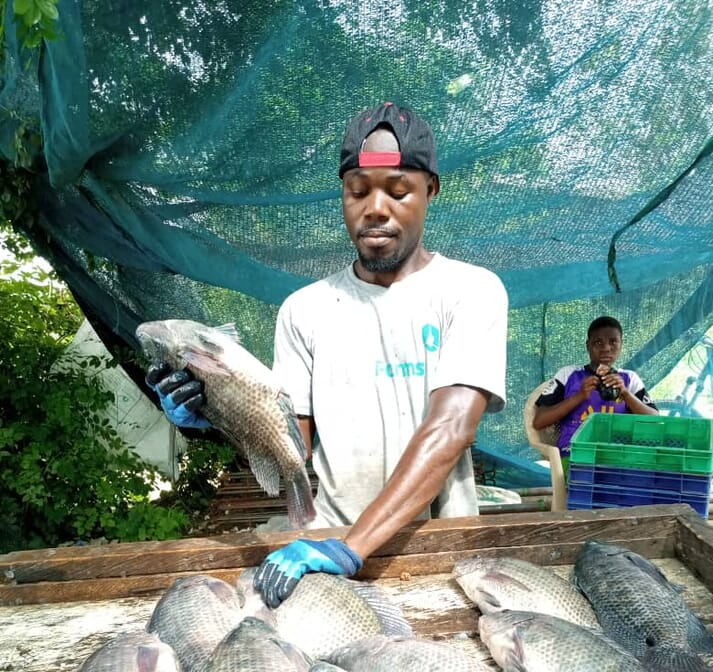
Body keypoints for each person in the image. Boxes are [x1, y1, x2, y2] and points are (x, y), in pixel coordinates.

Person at [148, 102, 509, 606]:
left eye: (398, 190)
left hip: (439, 555)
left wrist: (352, 547)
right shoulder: (305, 310)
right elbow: (288, 439)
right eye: (357, 191)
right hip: (325, 550)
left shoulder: (470, 291)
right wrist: (214, 410)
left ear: (431, 190)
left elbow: (451, 429)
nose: (376, 208)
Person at [533, 315, 658, 476]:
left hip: (619, 456)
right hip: (576, 454)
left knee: (644, 478)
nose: (606, 348)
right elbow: (539, 421)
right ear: (588, 346)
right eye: (598, 343)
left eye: (613, 342)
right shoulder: (569, 374)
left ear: (621, 345)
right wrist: (579, 396)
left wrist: (626, 394)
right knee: (586, 482)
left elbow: (655, 420)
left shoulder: (629, 379)